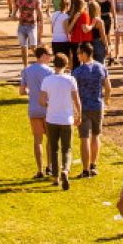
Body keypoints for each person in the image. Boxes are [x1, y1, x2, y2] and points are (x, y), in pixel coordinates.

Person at [39, 52, 80, 190]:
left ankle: (56, 177)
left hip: (51, 118)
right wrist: (79, 114)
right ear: (66, 64)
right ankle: (65, 170)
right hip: (66, 119)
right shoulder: (70, 80)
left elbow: (42, 100)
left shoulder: (47, 80)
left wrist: (49, 104)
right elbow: (76, 100)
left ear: (53, 64)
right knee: (67, 148)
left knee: (54, 148)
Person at [73, 42, 111, 178]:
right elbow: (108, 87)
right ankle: (93, 165)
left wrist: (74, 110)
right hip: (97, 105)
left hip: (83, 108)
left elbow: (74, 92)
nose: (77, 56)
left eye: (78, 53)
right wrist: (106, 101)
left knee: (84, 139)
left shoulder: (77, 72)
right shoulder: (101, 68)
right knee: (96, 136)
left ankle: (85, 169)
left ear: (84, 54)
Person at [19, 46, 54, 179]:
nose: (51, 57)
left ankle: (39, 170)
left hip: (34, 108)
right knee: (50, 139)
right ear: (43, 55)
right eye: (49, 54)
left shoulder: (27, 70)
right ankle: (49, 167)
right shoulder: (50, 71)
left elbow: (22, 91)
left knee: (37, 140)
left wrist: (31, 92)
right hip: (47, 108)